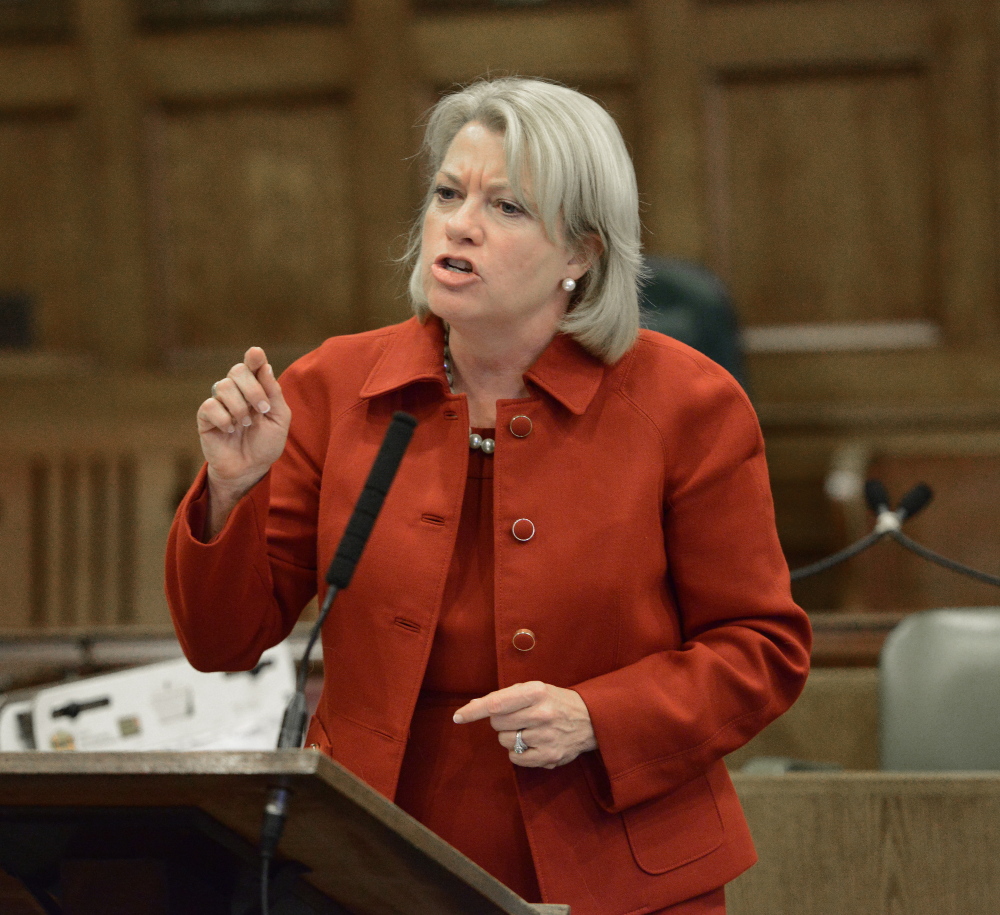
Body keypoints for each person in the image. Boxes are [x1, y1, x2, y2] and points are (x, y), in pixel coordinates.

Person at [166, 77, 811, 915]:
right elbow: (222, 641)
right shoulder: (334, 386)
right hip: (368, 857)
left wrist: (600, 715)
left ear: (581, 253)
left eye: (506, 207)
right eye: (447, 193)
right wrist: (230, 489)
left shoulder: (689, 403)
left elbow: (763, 646)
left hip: (621, 867)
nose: (459, 223)